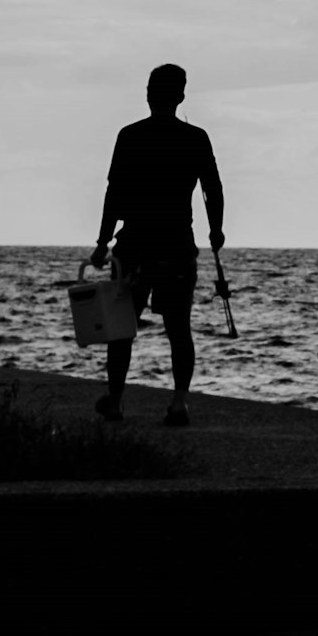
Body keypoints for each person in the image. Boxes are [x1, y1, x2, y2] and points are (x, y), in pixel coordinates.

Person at [89, 61, 225, 427]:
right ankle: (179, 403)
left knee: (121, 329)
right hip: (177, 247)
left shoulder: (130, 136)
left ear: (149, 95)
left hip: (134, 246)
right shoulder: (196, 138)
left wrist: (103, 241)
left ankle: (115, 401)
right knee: (179, 327)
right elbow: (213, 189)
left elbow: (114, 192)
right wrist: (217, 231)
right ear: (181, 96)